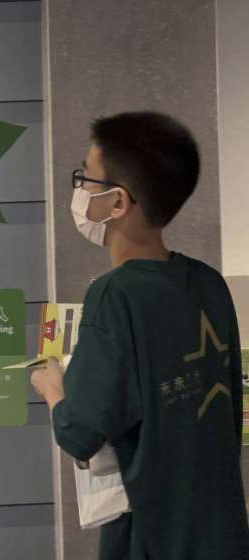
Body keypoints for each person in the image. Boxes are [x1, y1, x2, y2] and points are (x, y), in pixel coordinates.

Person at [30, 111, 249, 559]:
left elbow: (79, 433)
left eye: (85, 178)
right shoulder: (208, 283)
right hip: (221, 531)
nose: (79, 191)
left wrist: (53, 388)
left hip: (150, 536)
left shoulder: (114, 295)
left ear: (117, 203)